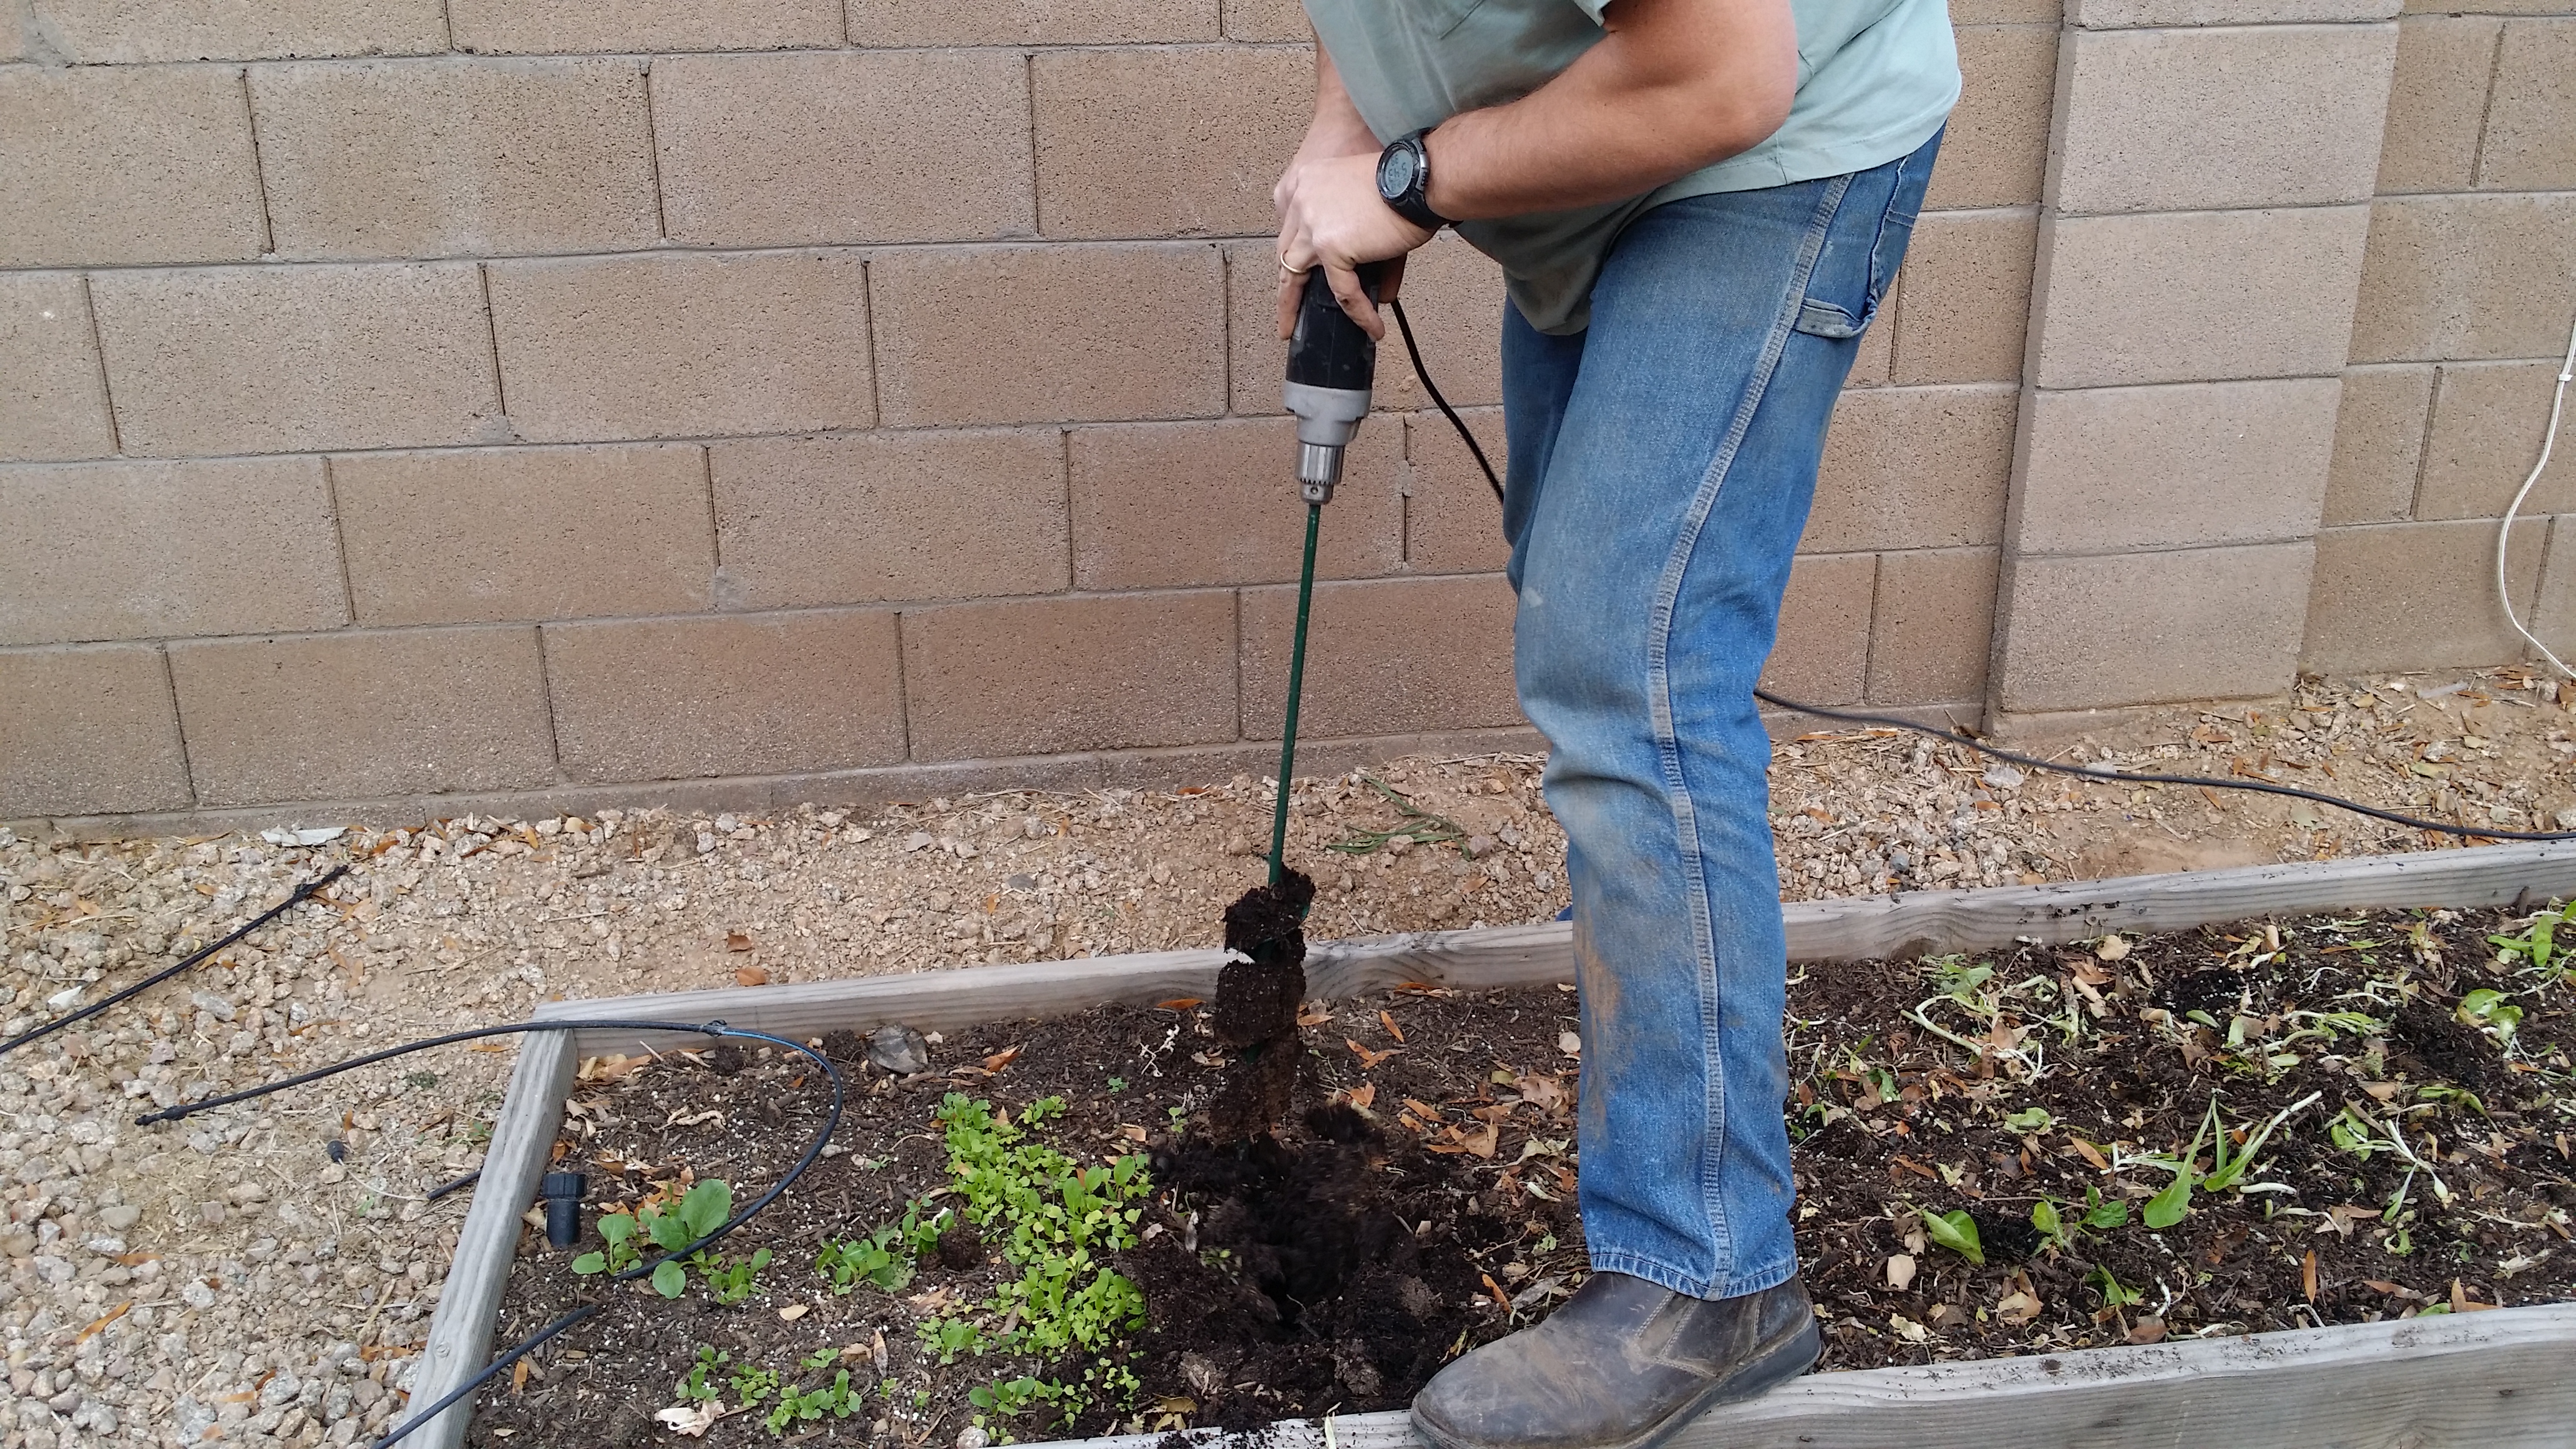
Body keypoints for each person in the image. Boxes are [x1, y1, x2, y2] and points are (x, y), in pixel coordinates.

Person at [1268, 1, 1957, 1446]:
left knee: (1633, 678)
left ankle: (1709, 1278)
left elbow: (1721, 76)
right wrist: (1347, 131)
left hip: (1756, 156)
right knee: (1589, 629)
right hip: (1592, 181)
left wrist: (1408, 181)